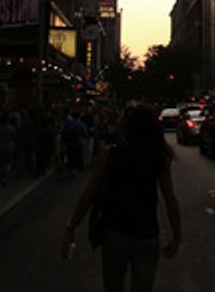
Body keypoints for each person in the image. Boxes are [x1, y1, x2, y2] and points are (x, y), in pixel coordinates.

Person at [63, 104, 181, 292]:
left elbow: (90, 192)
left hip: (116, 233)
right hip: (147, 234)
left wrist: (72, 226)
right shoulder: (158, 158)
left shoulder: (110, 155)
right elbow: (170, 200)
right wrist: (176, 235)